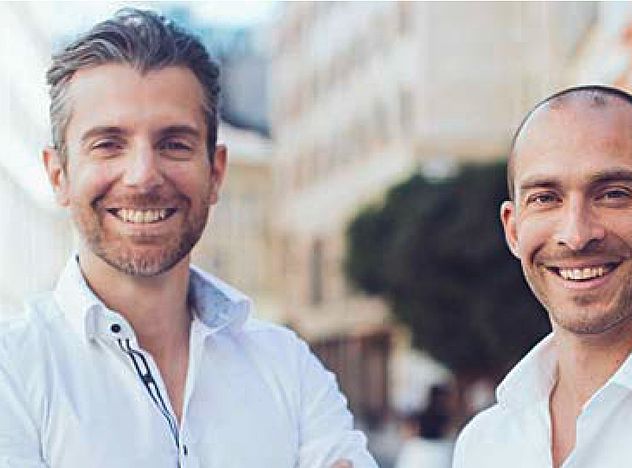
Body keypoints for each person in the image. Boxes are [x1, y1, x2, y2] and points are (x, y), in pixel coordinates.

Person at [0, 9, 376, 468]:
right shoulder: (12, 373)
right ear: (58, 175)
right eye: (108, 144)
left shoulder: (289, 367)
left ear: (215, 173)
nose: (143, 176)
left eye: (174, 144)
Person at [452, 86, 632, 467]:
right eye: (545, 198)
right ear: (513, 229)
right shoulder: (484, 444)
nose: (576, 235)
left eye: (612, 194)